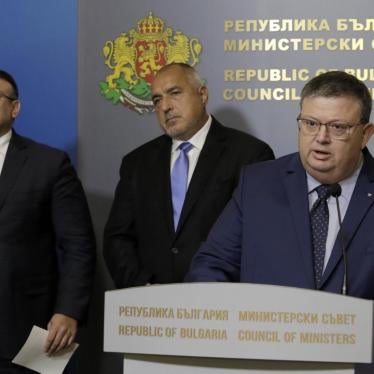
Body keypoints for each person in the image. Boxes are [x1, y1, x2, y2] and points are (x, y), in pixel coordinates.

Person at [185, 71, 374, 372]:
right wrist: (233, 331)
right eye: (310, 124)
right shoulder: (259, 183)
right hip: (265, 362)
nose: (320, 139)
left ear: (365, 134)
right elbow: (211, 265)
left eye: (338, 127)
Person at [103, 63, 274, 288]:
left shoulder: (250, 154)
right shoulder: (137, 163)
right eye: (157, 100)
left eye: (174, 93)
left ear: (202, 94)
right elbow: (117, 238)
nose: (165, 107)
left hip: (221, 305)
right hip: (148, 307)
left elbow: (258, 239)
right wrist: (141, 286)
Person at [0, 70, 96, 373]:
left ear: (15, 108)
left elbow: (78, 245)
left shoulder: (49, 164)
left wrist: (69, 310)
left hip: (23, 331)